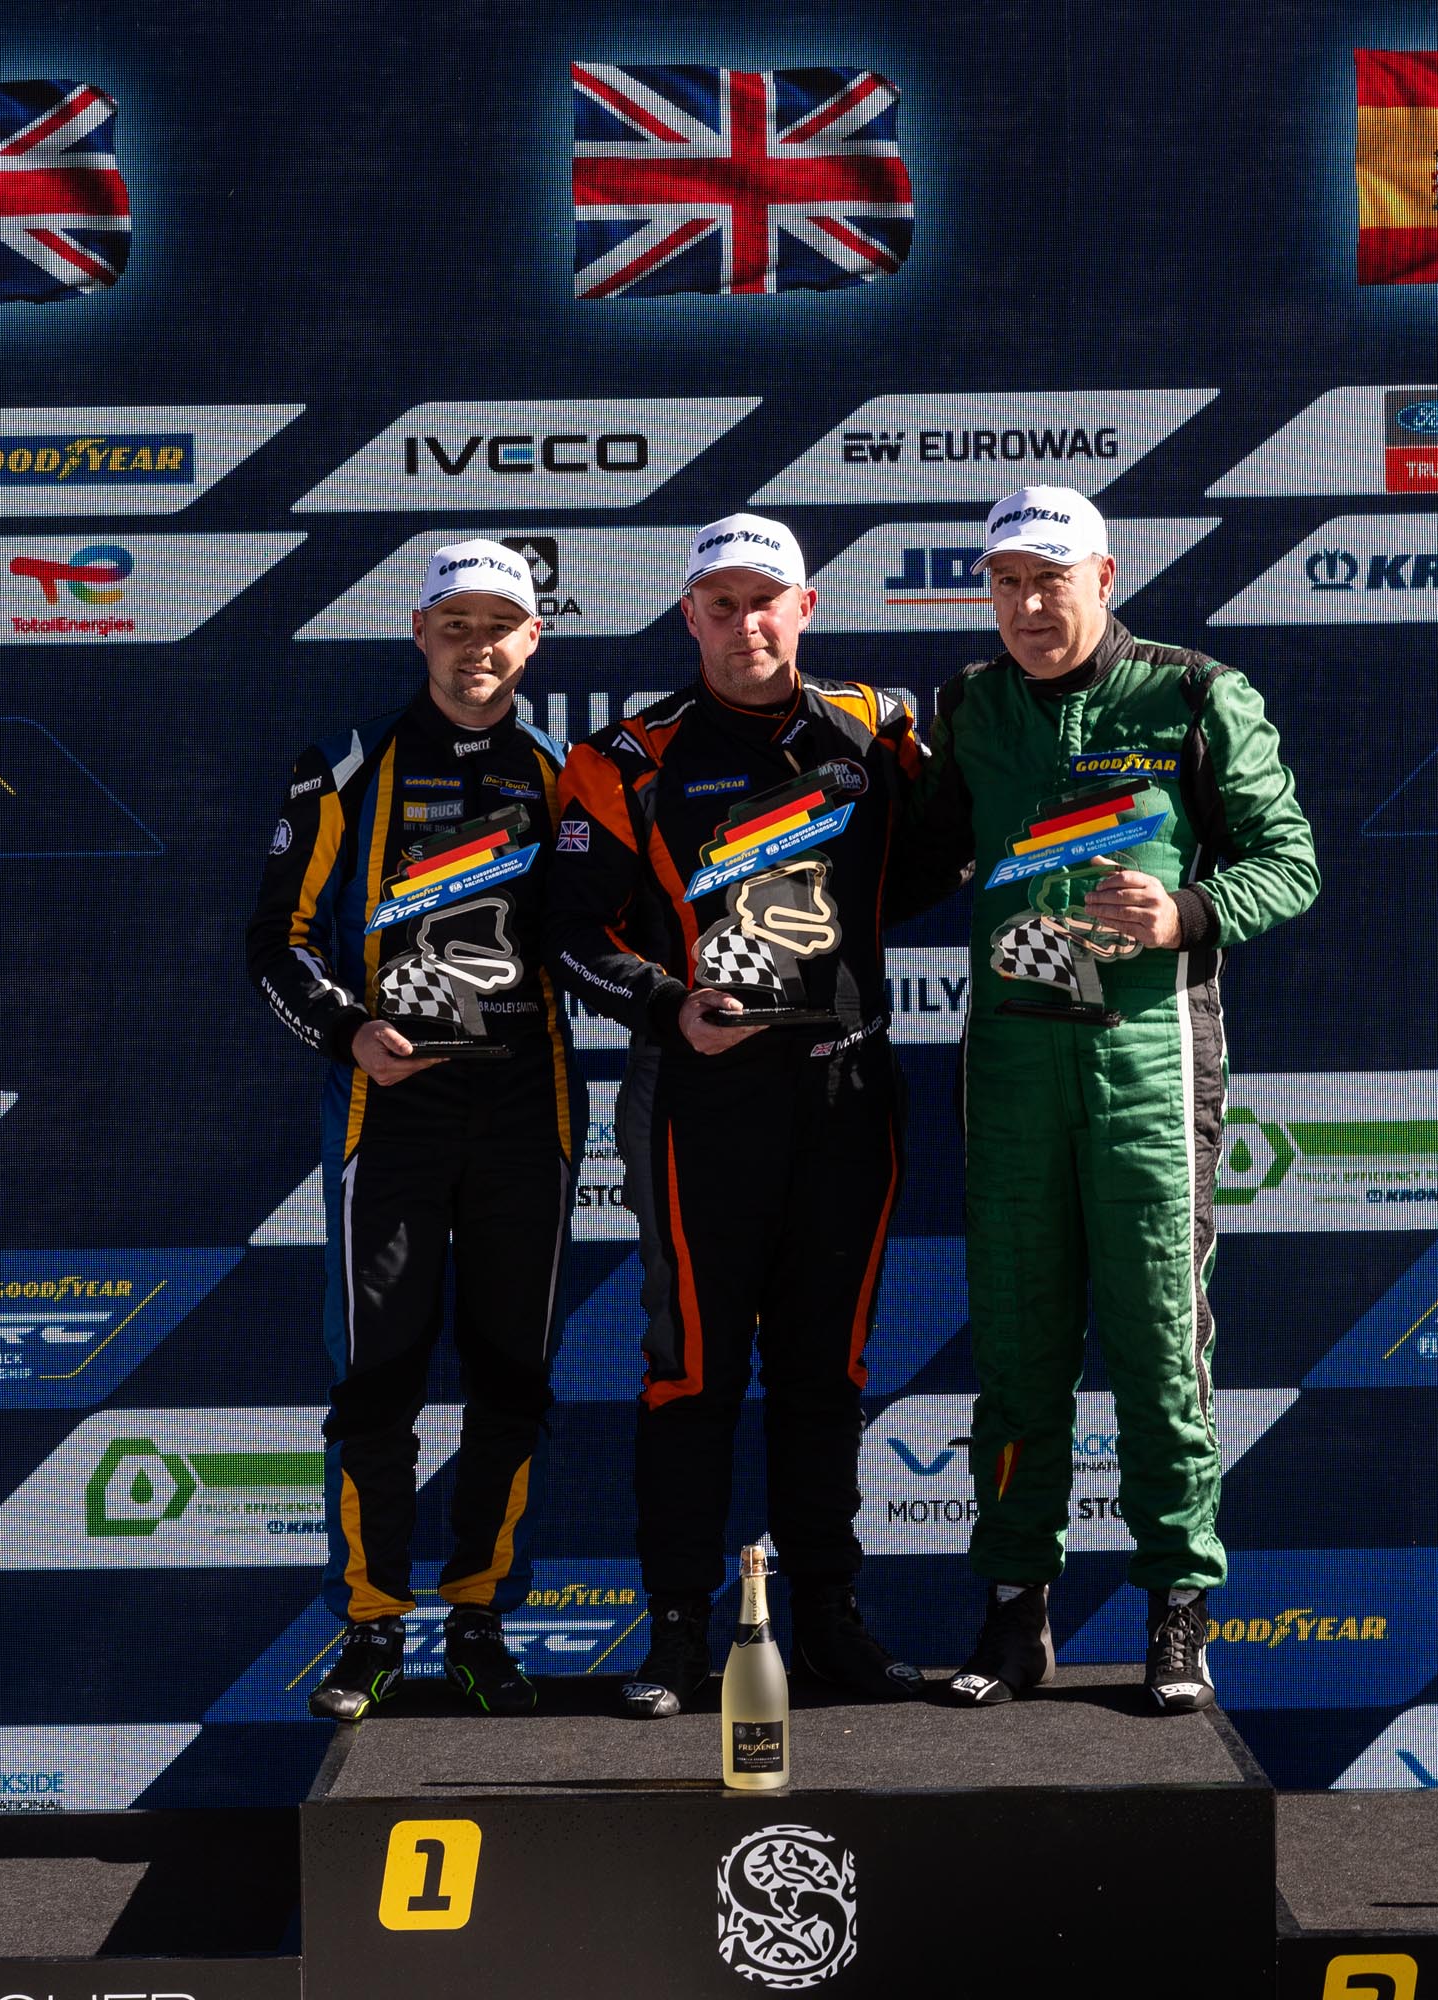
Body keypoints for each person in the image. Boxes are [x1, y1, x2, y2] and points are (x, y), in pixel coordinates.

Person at [909, 486, 1319, 1714]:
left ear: (1103, 574)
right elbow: (913, 857)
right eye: (1007, 583)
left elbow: (1289, 860)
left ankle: (1178, 1607)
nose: (1029, 605)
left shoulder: (1194, 693)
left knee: (1158, 1342)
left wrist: (1188, 911)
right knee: (1017, 1346)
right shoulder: (969, 706)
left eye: (1051, 578)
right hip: (1011, 1063)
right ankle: (1013, 1607)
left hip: (1149, 1059)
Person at [547, 512, 952, 1717]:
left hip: (847, 1091)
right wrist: (668, 1004)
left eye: (765, 600)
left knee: (829, 1367)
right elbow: (566, 929)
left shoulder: (877, 729)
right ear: (690, 616)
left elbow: (936, 858)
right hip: (702, 1099)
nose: (745, 624)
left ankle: (827, 1618)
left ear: (805, 607)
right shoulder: (626, 756)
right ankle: (677, 1629)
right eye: (720, 605)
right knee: (694, 1370)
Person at [245, 539, 580, 1720]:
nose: (475, 645)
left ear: (533, 638)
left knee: (512, 1375)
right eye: (454, 623)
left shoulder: (566, 771)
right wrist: (349, 1033)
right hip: (387, 1110)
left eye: (498, 624)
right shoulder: (348, 761)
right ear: (419, 632)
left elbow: (602, 930)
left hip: (526, 1108)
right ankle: (372, 1624)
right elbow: (276, 938)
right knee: (376, 1378)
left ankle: (482, 1620)